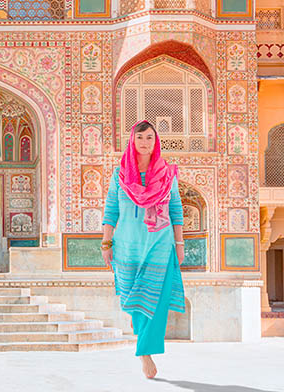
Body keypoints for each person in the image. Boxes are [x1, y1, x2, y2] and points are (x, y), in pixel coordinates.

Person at [101, 120, 184, 380]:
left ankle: (145, 353)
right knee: (133, 300)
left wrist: (179, 244)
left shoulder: (167, 174)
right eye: (140, 138)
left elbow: (176, 210)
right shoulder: (120, 175)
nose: (145, 143)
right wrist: (106, 243)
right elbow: (111, 210)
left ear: (155, 141)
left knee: (156, 301)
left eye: (149, 138)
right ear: (132, 141)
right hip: (127, 245)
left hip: (159, 243)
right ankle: (143, 349)